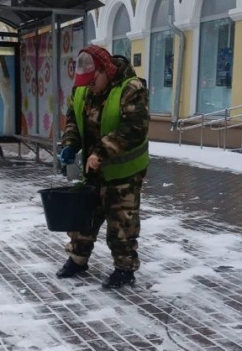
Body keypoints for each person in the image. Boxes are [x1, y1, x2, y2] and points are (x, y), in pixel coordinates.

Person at [56, 45, 150, 289]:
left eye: (93, 80)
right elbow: (73, 123)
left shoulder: (132, 89)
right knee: (83, 217)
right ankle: (78, 259)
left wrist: (101, 152)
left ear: (105, 70)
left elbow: (134, 130)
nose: (89, 86)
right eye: (84, 82)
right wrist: (69, 144)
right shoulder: (81, 90)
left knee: (121, 223)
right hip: (93, 170)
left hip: (124, 172)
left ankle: (124, 269)